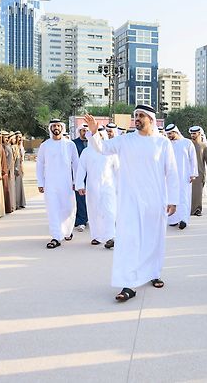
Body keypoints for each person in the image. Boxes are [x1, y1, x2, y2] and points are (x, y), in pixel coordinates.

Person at [83, 105, 179, 302]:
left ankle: (153, 273)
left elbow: (172, 172)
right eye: (135, 115)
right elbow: (103, 148)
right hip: (130, 201)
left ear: (151, 119)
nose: (137, 118)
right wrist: (94, 131)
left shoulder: (162, 144)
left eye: (141, 115)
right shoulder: (125, 141)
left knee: (153, 239)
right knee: (129, 241)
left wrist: (173, 199)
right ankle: (128, 283)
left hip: (155, 200)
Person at [36, 119, 79, 249]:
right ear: (50, 128)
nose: (56, 128)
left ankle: (67, 230)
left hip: (66, 183)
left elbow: (76, 164)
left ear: (62, 128)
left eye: (58, 126)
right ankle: (56, 236)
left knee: (68, 208)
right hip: (50, 183)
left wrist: (76, 181)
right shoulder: (45, 145)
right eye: (54, 126)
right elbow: (40, 164)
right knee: (53, 209)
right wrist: (40, 182)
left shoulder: (70, 145)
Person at [75, 126, 119, 247]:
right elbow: (81, 169)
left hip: (109, 186)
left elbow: (118, 170)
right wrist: (79, 185)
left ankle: (110, 236)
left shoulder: (111, 151)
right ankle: (97, 236)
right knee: (94, 211)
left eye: (99, 135)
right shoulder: (86, 152)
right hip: (92, 186)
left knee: (109, 211)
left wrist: (120, 186)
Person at [166, 124, 197, 229]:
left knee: (183, 197)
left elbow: (193, 159)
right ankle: (173, 219)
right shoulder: (167, 144)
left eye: (170, 133)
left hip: (184, 175)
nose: (169, 136)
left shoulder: (187, 143)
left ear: (176, 132)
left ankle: (183, 219)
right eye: (167, 134)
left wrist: (193, 173)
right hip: (170, 176)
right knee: (171, 196)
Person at [189, 126, 207, 216]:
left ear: (199, 134)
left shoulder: (204, 146)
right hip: (188, 173)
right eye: (191, 133)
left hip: (200, 173)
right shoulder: (188, 144)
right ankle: (189, 209)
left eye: (194, 133)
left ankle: (198, 210)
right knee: (189, 193)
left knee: (198, 193)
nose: (192, 135)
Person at [73, 124, 89, 232]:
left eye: (87, 131)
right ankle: (81, 221)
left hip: (92, 174)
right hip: (79, 174)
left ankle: (89, 218)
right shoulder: (74, 143)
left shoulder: (93, 143)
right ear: (79, 131)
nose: (85, 132)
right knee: (80, 198)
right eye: (83, 130)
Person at [14, 131, 27, 209]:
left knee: (20, 185)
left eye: (21, 137)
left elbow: (22, 159)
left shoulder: (21, 147)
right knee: (16, 185)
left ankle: (21, 202)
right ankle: (16, 203)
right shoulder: (15, 147)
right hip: (16, 167)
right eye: (18, 137)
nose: (20, 139)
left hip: (20, 166)